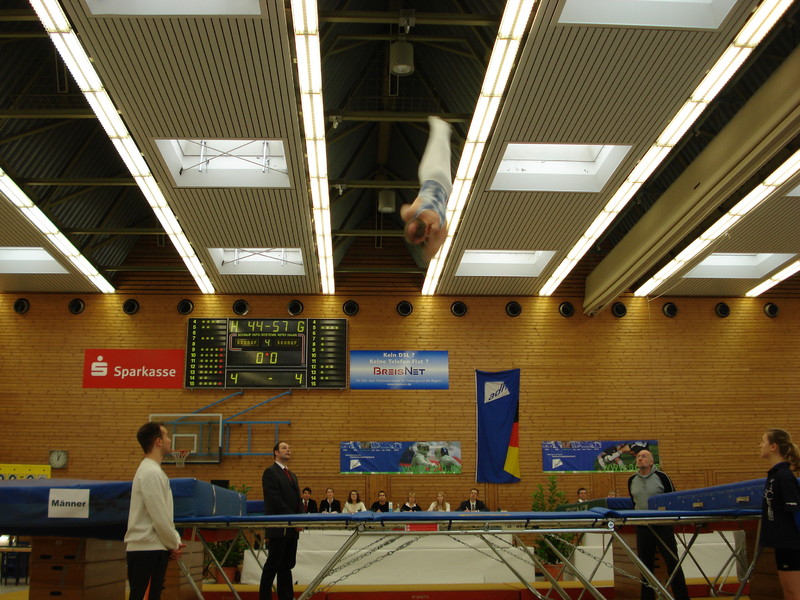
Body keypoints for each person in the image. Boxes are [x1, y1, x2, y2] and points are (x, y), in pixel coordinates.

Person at [124, 422, 185, 600]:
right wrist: (174, 543)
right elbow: (159, 517)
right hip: (147, 550)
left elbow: (163, 516)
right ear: (158, 441)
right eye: (166, 435)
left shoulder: (154, 471)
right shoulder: (151, 472)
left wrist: (173, 541)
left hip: (152, 549)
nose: (169, 439)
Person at [627, 450, 690, 600]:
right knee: (645, 566)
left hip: (663, 525)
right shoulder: (631, 480)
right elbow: (634, 502)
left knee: (672, 562)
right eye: (638, 456)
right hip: (642, 526)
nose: (640, 458)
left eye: (644, 456)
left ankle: (682, 597)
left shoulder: (662, 477)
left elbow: (672, 498)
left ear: (651, 462)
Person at [400, 116, 453, 259]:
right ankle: (440, 127)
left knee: (444, 152)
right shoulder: (415, 214)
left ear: (424, 235)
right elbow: (404, 210)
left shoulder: (438, 228)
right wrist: (410, 212)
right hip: (430, 177)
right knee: (437, 146)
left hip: (446, 186)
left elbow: (430, 254)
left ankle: (442, 129)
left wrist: (431, 241)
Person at [759, 427, 800, 599]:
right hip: (782, 543)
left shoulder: (784, 476)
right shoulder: (774, 476)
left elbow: (796, 511)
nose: (760, 445)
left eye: (763, 441)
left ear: (773, 446)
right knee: (788, 593)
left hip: (792, 544)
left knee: (793, 593)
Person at [259, 441, 300, 600]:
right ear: (276, 452)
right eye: (284, 448)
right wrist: (292, 520)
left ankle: (286, 597)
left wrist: (300, 520)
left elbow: (298, 500)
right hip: (279, 526)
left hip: (292, 527)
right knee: (272, 565)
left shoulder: (292, 475)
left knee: (287, 565)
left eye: (289, 448)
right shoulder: (270, 472)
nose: (288, 450)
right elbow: (275, 500)